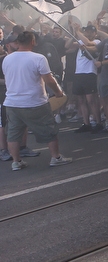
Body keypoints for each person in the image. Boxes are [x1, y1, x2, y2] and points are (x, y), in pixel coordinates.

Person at [2, 30, 71, 171]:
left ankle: (16, 161)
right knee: (49, 130)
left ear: (17, 42)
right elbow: (49, 79)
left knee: (13, 134)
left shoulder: (7, 59)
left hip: (12, 102)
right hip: (35, 102)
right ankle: (56, 157)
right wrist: (58, 92)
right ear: (33, 42)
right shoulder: (38, 58)